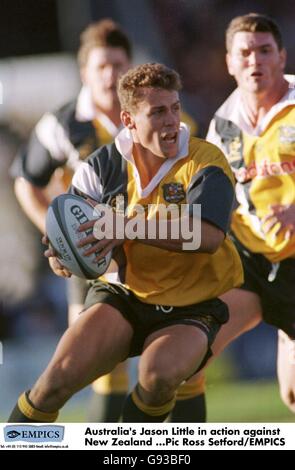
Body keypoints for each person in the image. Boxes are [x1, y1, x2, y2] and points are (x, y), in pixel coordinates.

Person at [8, 62, 243, 423]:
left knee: (158, 376)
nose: (172, 121)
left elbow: (208, 236)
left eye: (175, 108)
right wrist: (62, 254)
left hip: (193, 305)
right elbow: (71, 238)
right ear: (129, 120)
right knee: (54, 383)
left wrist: (128, 227)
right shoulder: (99, 167)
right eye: (158, 111)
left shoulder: (206, 160)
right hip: (123, 297)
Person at [12, 18, 132, 422]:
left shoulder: (150, 116)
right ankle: (27, 432)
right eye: (101, 66)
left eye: (118, 65)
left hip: (148, 248)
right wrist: (57, 232)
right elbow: (26, 182)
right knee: (89, 363)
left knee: (165, 366)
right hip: (92, 258)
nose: (110, 75)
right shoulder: (63, 124)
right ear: (85, 72)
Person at [192, 12, 295, 415]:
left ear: (282, 57)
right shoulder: (221, 126)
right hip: (252, 262)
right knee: (187, 352)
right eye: (246, 52)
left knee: (292, 394)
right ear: (230, 63)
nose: (256, 61)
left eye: (265, 50)